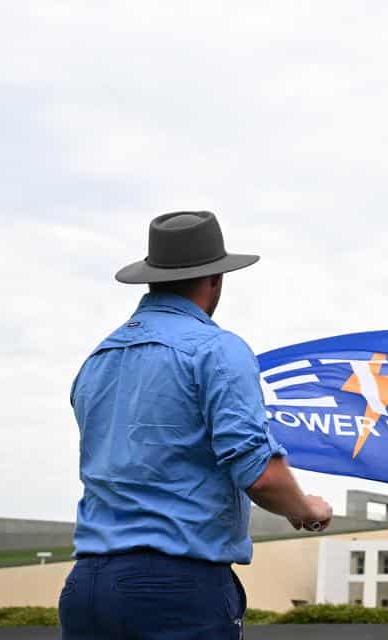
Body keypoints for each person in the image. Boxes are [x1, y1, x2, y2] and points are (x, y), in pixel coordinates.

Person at [59, 211, 333, 639]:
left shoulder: (97, 360)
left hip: (85, 588)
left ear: (151, 278)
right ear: (215, 280)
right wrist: (308, 510)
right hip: (175, 591)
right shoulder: (217, 349)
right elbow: (260, 475)